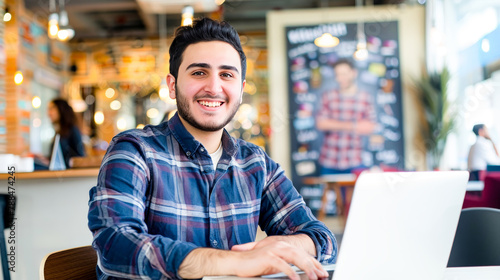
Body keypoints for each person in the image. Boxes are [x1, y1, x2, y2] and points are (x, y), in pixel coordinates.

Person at [88, 18, 337, 280]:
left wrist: (286, 246)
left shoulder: (256, 163)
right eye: (199, 72)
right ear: (172, 86)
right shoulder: (134, 151)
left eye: (226, 75)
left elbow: (323, 239)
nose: (214, 87)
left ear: (240, 91)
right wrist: (231, 263)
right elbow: (114, 245)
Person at [316, 59, 377, 174]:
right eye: (337, 75)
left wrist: (334, 124)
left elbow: (370, 127)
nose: (340, 78)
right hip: (329, 160)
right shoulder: (328, 96)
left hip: (356, 161)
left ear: (354, 73)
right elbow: (321, 124)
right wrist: (354, 125)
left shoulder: (365, 97)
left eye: (343, 74)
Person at [34, 98, 85, 169]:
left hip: (68, 174)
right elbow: (57, 158)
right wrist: (43, 158)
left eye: (52, 109)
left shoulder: (73, 130)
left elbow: (80, 157)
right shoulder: (59, 132)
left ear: (61, 110)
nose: (49, 113)